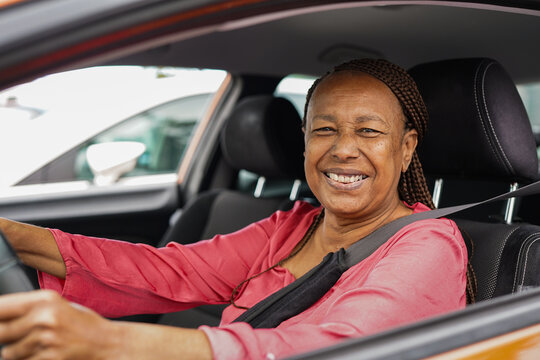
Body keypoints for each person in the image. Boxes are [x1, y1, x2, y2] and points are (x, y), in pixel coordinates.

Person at [0, 59, 468, 360]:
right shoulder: (291, 227)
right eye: (324, 130)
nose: (344, 150)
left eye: (369, 132)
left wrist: (111, 342)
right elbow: (165, 271)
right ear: (304, 143)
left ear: (406, 150)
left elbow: (332, 351)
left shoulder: (428, 245)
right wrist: (11, 236)